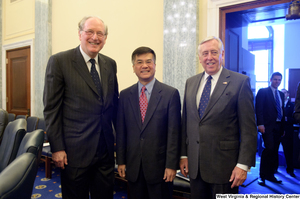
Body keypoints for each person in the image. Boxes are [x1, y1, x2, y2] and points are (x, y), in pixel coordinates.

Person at [43, 16, 119, 199]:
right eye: (90, 32)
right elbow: (52, 109)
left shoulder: (110, 64)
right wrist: (57, 148)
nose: (95, 37)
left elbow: (113, 105)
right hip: (74, 152)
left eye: (100, 33)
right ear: (79, 34)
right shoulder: (60, 62)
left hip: (105, 151)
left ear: (105, 38)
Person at [180, 36, 257, 199]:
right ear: (200, 58)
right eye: (205, 53)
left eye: (214, 52)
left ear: (222, 54)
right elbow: (186, 123)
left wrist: (243, 165)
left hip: (225, 168)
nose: (209, 57)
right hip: (196, 167)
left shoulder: (240, 82)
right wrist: (184, 155)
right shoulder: (191, 82)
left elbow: (249, 129)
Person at [116, 47, 181, 199]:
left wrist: (171, 165)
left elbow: (174, 133)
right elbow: (121, 131)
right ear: (133, 68)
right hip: (133, 167)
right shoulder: (125, 95)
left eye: (148, 61)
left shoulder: (170, 94)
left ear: (155, 65)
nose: (144, 65)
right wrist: (121, 161)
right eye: (139, 62)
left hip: (161, 169)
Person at [256, 72, 285, 186]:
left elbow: (281, 111)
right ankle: (262, 176)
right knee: (268, 149)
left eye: (279, 80)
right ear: (270, 79)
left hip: (278, 127)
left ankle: (270, 175)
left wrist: (282, 128)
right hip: (267, 126)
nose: (277, 82)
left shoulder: (281, 94)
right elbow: (259, 109)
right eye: (275, 79)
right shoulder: (263, 92)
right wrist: (260, 124)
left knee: (274, 151)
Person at [280, 89, 296, 177]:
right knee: (273, 151)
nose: (283, 94)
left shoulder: (292, 105)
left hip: (288, 131)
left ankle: (290, 169)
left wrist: (287, 119)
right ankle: (274, 169)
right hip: (277, 130)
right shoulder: (276, 104)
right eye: (281, 93)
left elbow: (296, 119)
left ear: (288, 94)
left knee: (289, 152)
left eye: (285, 92)